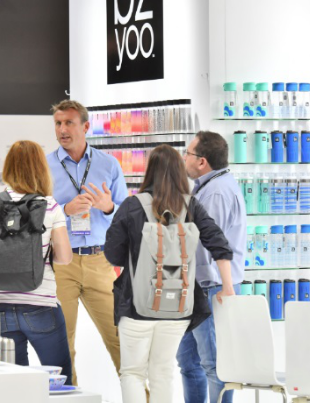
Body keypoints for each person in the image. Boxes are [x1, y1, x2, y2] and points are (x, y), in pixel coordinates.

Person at [104, 144, 235, 403]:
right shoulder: (190, 206)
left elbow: (113, 254)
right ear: (179, 172)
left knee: (132, 373)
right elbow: (219, 243)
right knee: (163, 372)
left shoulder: (132, 205)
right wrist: (227, 287)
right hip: (178, 307)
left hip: (136, 306)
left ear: (150, 171)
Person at [0, 140, 74, 383]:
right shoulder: (49, 206)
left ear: (8, 168)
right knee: (61, 382)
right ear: (41, 168)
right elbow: (65, 257)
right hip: (40, 304)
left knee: (14, 386)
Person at [46, 99, 128, 385]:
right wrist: (64, 210)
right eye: (58, 123)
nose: (62, 129)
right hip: (60, 263)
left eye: (69, 123)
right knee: (61, 343)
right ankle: (68, 399)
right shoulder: (45, 165)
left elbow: (126, 214)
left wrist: (108, 207)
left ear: (85, 126)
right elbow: (34, 213)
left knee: (120, 338)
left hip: (100, 261)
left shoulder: (108, 164)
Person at [176, 131, 247, 403]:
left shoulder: (216, 192)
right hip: (198, 287)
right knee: (188, 361)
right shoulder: (210, 186)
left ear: (202, 161)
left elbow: (209, 244)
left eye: (188, 153)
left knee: (214, 364)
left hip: (211, 288)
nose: (184, 158)